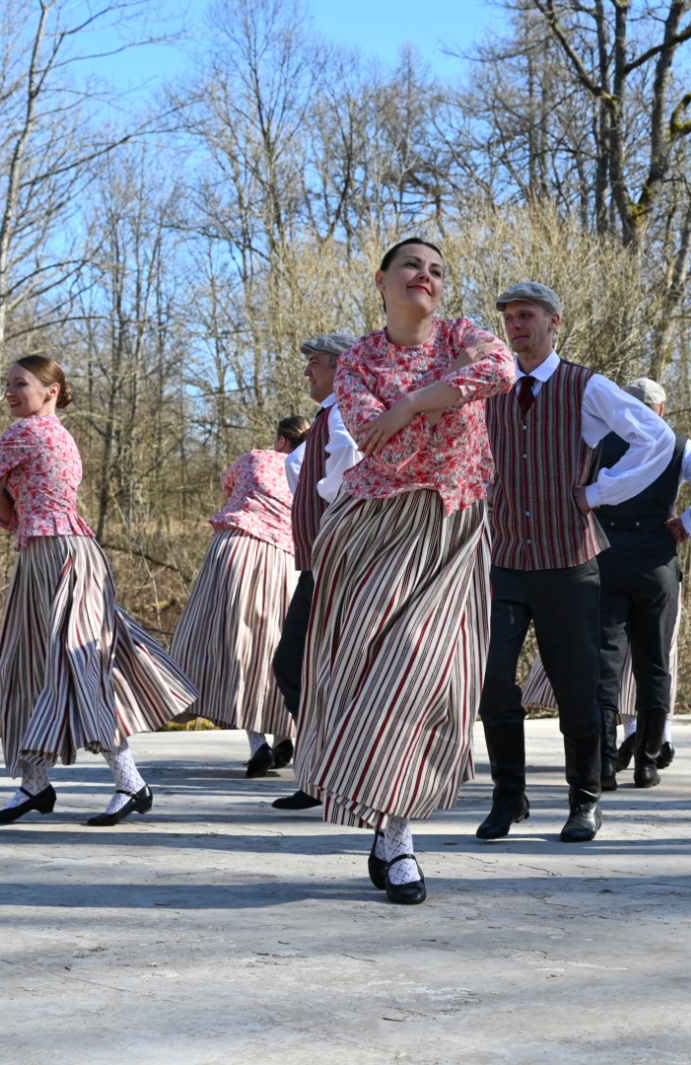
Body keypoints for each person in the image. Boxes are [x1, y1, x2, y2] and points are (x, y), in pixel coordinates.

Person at [294, 238, 514, 904]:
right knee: (370, 676)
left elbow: (500, 372)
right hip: (374, 531)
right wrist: (443, 396)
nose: (426, 275)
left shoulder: (463, 334)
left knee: (422, 673)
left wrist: (414, 403)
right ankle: (390, 831)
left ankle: (395, 836)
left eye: (438, 270)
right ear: (383, 280)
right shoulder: (358, 356)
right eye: (412, 265)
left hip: (453, 527)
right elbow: (370, 434)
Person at [475, 282, 674, 843]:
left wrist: (599, 492)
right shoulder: (491, 389)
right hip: (504, 558)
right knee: (492, 684)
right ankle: (508, 796)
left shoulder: (585, 386)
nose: (517, 325)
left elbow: (655, 440)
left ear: (553, 322)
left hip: (569, 561)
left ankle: (584, 800)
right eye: (510, 318)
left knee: (578, 689)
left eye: (527, 315)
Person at [0, 356, 197, 826]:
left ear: (50, 390)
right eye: (6, 383)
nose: (9, 391)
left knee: (76, 663)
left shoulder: (30, 432)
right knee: (26, 662)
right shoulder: (49, 434)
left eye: (19, 384)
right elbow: (9, 513)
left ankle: (130, 781)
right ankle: (35, 784)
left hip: (60, 557)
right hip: (44, 555)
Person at [516, 377, 691, 789]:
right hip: (657, 565)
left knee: (604, 667)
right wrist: (688, 524)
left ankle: (606, 764)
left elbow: (565, 491)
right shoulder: (679, 445)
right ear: (662, 411)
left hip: (606, 563)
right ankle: (648, 762)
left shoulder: (594, 443)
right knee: (654, 666)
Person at [172, 416, 309, 776]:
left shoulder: (255, 457)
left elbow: (226, 484)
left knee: (234, 646)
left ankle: (257, 743)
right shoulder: (311, 467)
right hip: (285, 560)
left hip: (237, 551)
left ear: (280, 440)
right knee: (276, 647)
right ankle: (282, 736)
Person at [270, 333, 363, 811]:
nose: (307, 371)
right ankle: (320, 771)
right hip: (319, 566)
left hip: (337, 566)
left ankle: (331, 771)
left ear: (340, 367)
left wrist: (331, 496)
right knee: (301, 668)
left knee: (300, 666)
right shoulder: (330, 413)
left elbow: (349, 458)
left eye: (315, 363)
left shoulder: (345, 410)